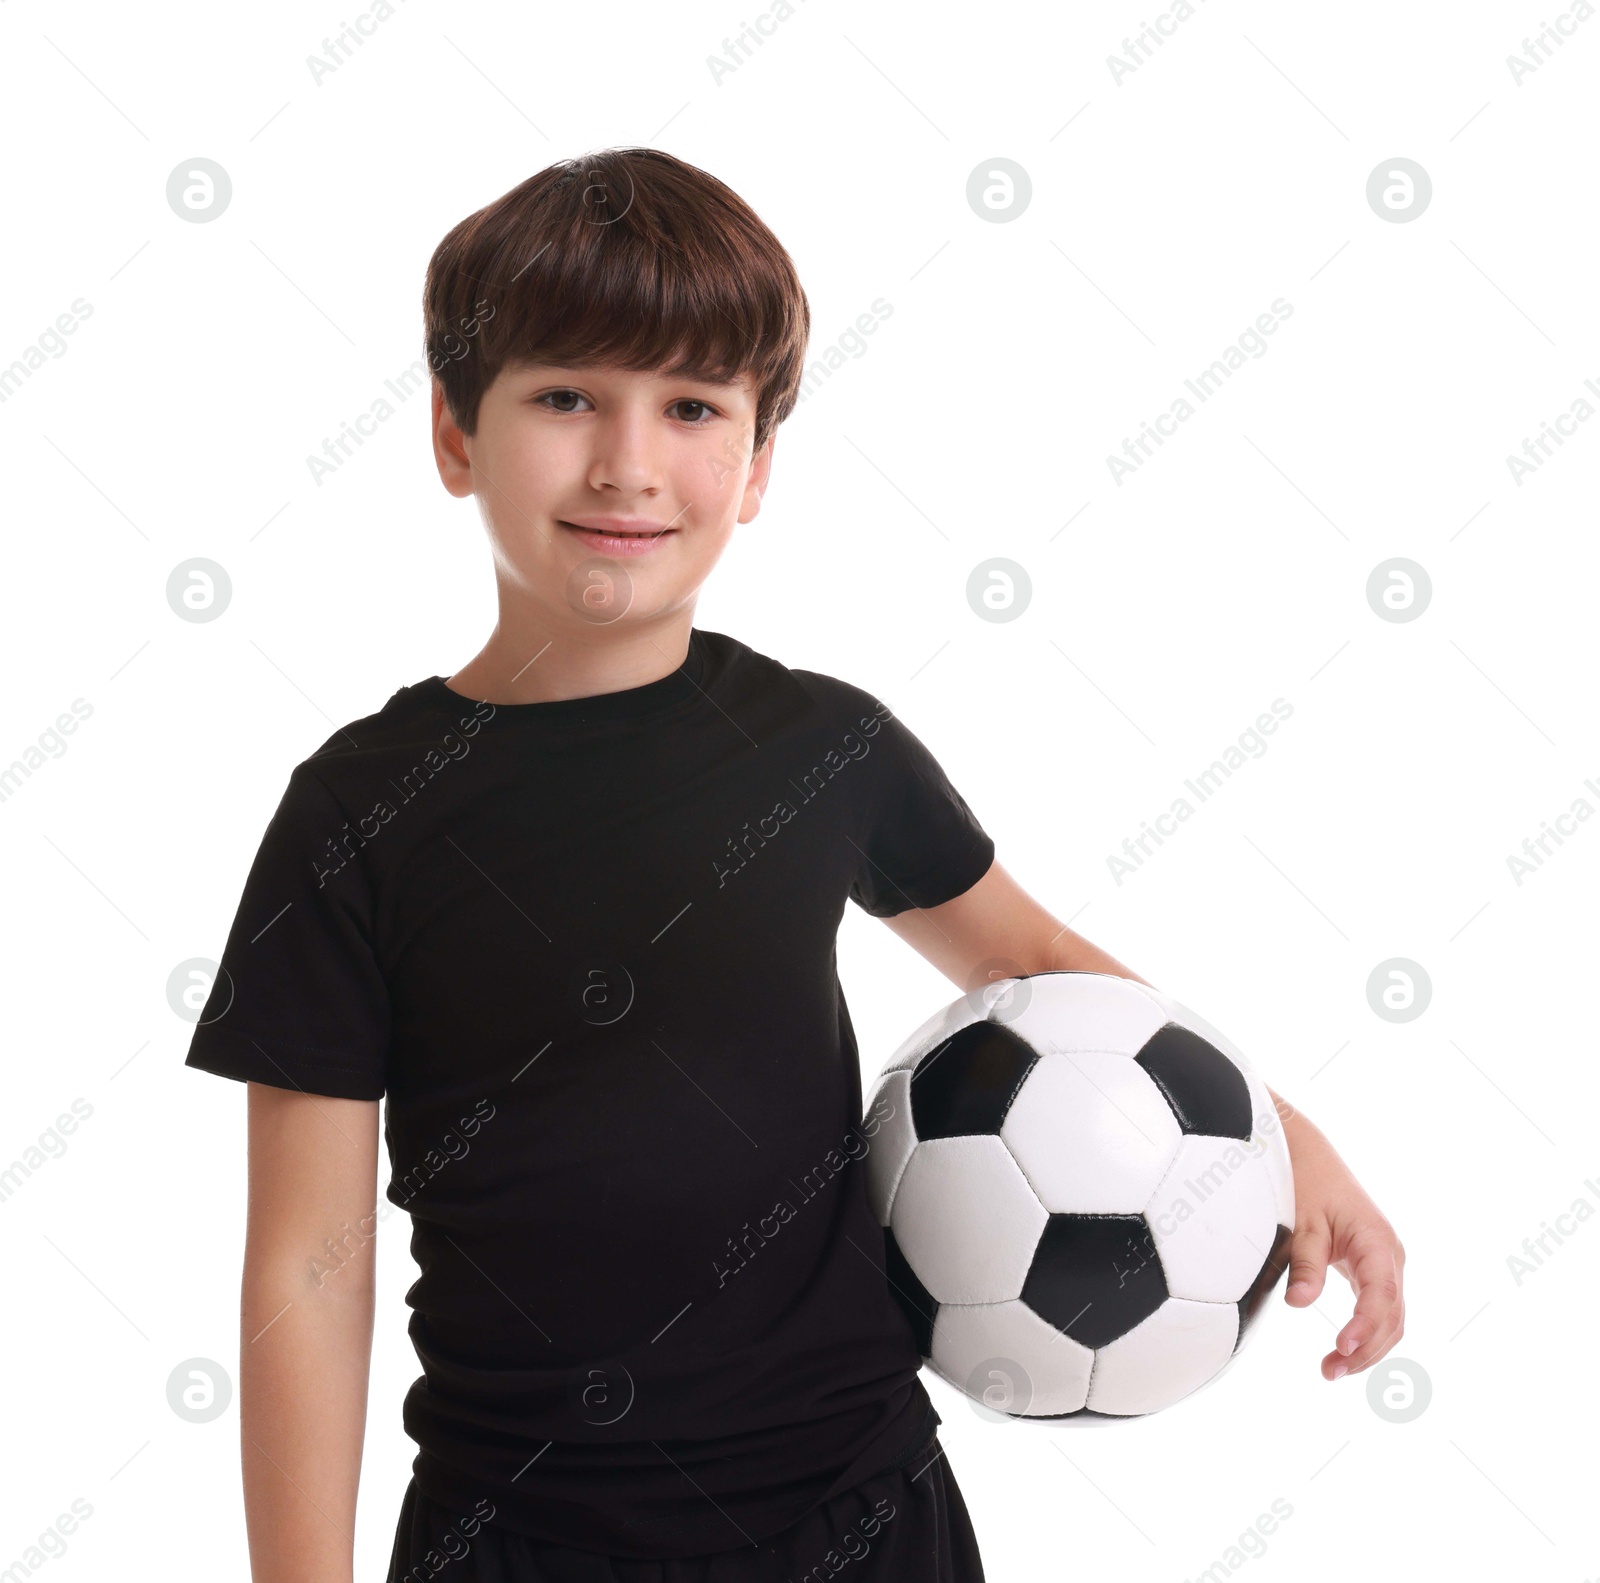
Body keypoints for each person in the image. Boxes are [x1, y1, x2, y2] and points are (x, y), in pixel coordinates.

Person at [183, 147, 1406, 1583]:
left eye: (692, 407)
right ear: (455, 433)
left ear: (757, 464)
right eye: (566, 395)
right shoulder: (358, 811)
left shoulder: (821, 747)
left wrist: (1280, 1129)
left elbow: (1030, 964)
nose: (629, 461)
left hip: (854, 1511)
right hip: (519, 1534)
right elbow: (307, 1269)